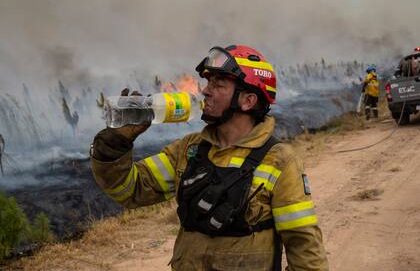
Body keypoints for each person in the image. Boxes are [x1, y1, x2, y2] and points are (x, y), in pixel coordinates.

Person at [90, 45, 329, 271]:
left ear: (248, 101)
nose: (205, 90)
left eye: (219, 84)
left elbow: (304, 246)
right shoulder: (189, 149)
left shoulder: (279, 160)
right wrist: (115, 146)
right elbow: (130, 189)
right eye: (207, 82)